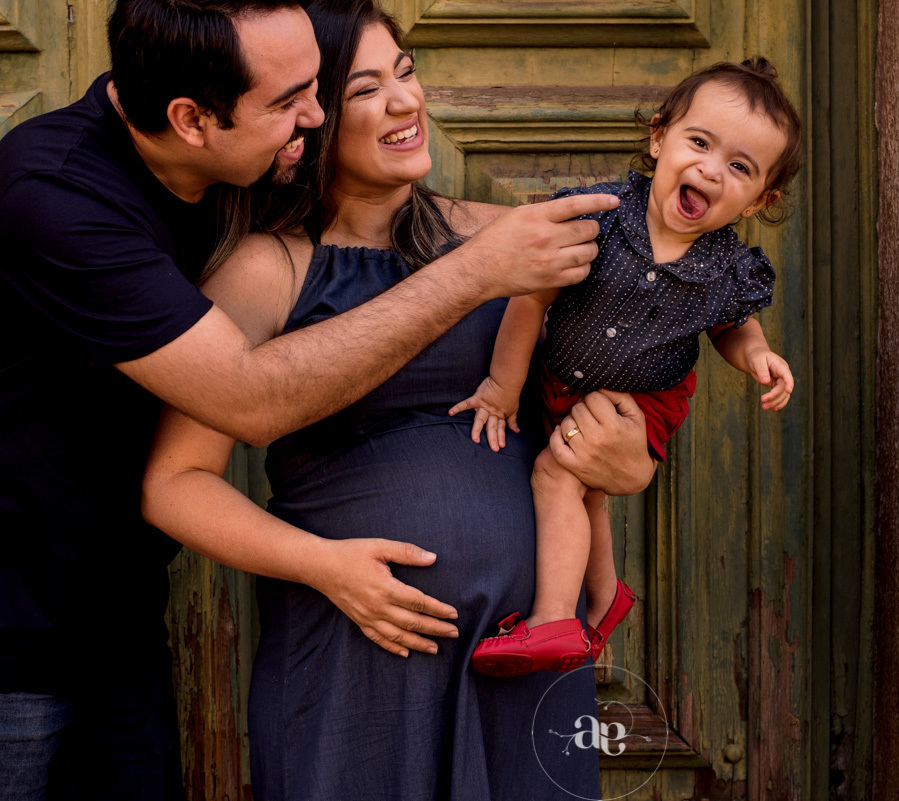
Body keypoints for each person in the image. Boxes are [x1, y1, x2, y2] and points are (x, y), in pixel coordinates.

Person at [0, 0, 637, 798]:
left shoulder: (508, 238)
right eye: (351, 91)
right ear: (194, 120)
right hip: (33, 615)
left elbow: (607, 408)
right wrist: (327, 566)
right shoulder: (73, 200)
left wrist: (629, 462)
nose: (401, 101)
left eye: (404, 71)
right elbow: (231, 417)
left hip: (515, 649)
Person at [456, 60, 803, 676]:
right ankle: (606, 595)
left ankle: (553, 622)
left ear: (760, 200)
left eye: (740, 167)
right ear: (659, 137)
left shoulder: (727, 269)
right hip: (563, 379)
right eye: (699, 143)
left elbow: (732, 325)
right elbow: (530, 298)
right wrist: (501, 387)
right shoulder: (600, 218)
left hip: (649, 399)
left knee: (555, 473)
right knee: (584, 487)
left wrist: (757, 356)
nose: (710, 169)